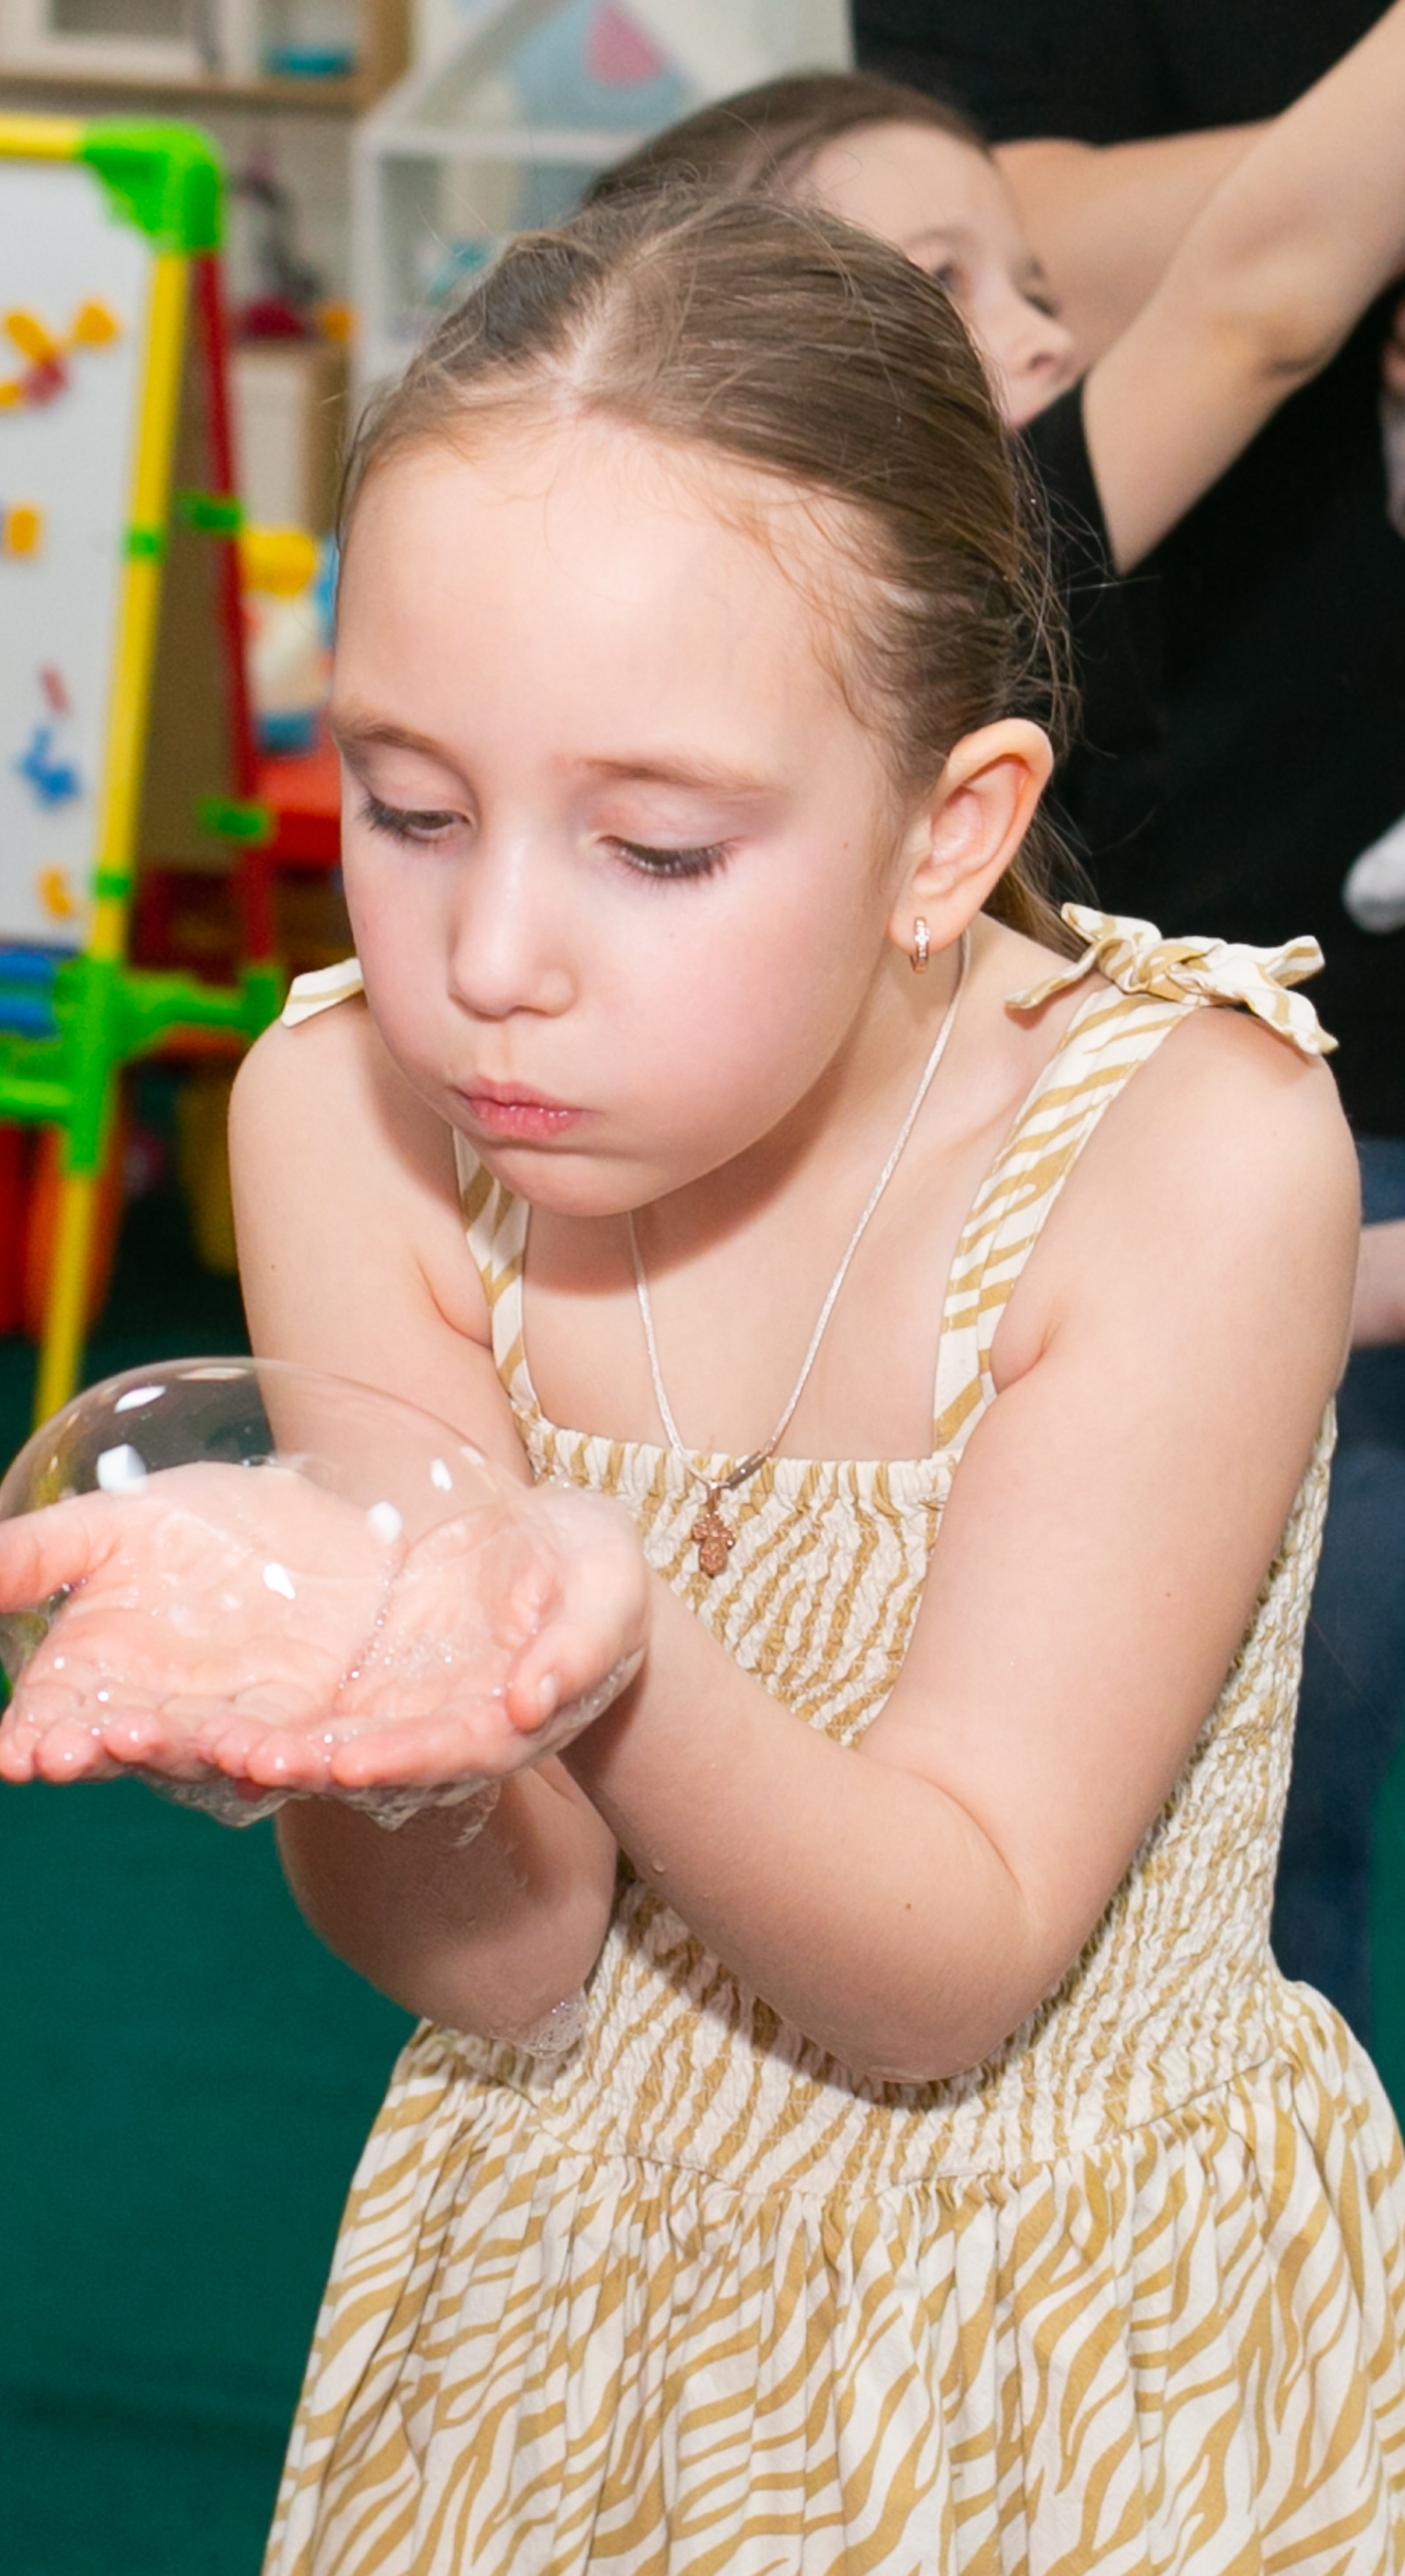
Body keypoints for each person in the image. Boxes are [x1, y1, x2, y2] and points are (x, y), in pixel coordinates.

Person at [0, 194, 1403, 2576]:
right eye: (405, 810)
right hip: (564, 2278)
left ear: (953, 828)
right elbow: (506, 1966)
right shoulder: (344, 1117)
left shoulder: (1182, 1146)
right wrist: (368, 1699)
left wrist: (580, 1639)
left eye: (653, 848)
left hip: (1072, 2334)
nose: (489, 960)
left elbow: (947, 1969)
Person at [589, 42, 1405, 2034]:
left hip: (1196, 1280)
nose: (1032, 334)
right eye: (935, 290)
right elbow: (1264, 279)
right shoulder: (991, 556)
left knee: (1254, 1872)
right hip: (1073, 1335)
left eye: (1026, 282)